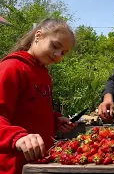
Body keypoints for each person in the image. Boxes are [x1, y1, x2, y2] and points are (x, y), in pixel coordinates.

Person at [0, 18, 76, 174]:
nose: (57, 55)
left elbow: (31, 111)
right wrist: (17, 137)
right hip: (12, 167)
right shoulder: (11, 68)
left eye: (63, 53)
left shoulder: (45, 76)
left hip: (38, 164)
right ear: (38, 36)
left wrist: (55, 119)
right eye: (55, 46)